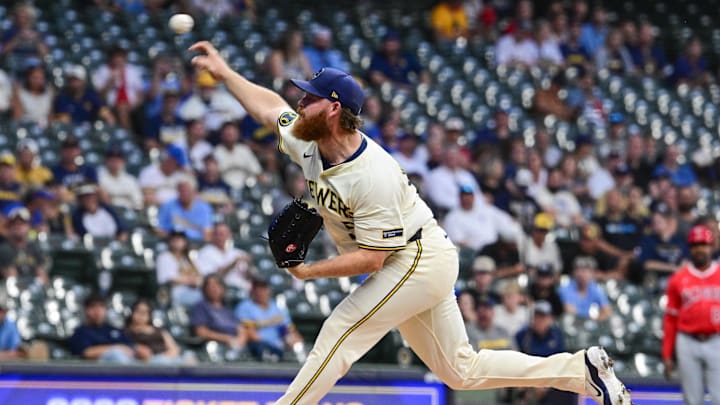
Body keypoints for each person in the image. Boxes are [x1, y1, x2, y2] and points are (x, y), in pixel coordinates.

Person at [189, 41, 632, 404]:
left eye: (309, 97)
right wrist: (225, 72)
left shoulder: (371, 173)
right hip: (413, 257)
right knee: (461, 371)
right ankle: (581, 371)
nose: (300, 102)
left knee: (341, 330)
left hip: (415, 258)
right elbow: (270, 108)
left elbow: (372, 260)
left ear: (333, 109)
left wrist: (308, 272)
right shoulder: (308, 139)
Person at [663, 225, 720, 405]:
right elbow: (670, 319)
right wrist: (667, 354)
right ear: (690, 248)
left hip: (716, 339)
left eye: (703, 244)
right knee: (692, 400)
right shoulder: (678, 279)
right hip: (687, 340)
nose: (700, 249)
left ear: (712, 246)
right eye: (695, 245)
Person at [516, 301, 576, 405]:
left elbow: (561, 361)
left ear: (550, 319)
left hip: (552, 379)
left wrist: (548, 383)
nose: (539, 321)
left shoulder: (557, 335)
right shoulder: (523, 336)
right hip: (530, 380)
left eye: (543, 317)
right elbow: (518, 363)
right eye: (537, 317)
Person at [235, 276, 303, 361]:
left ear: (269, 290)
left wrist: (294, 342)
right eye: (257, 288)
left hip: (280, 347)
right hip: (257, 347)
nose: (260, 291)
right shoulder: (245, 306)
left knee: (298, 349)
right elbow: (248, 333)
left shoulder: (278, 308)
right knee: (262, 349)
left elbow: (288, 330)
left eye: (263, 288)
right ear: (252, 290)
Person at [68, 293, 147, 364]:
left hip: (130, 363)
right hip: (99, 372)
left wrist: (139, 349)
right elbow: (87, 353)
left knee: (158, 360)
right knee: (115, 354)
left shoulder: (113, 330)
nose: (97, 311)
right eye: (93, 307)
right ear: (86, 310)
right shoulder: (81, 332)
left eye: (101, 306)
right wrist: (116, 348)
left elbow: (132, 346)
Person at [124, 299, 193, 364]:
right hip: (148, 363)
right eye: (138, 311)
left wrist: (166, 357)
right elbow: (139, 352)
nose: (141, 315)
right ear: (132, 313)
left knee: (189, 355)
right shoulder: (127, 332)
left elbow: (174, 348)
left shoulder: (159, 330)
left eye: (144, 312)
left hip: (167, 360)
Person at [190, 274, 247, 349]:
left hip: (237, 347)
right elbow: (200, 331)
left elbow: (241, 329)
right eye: (210, 285)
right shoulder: (201, 307)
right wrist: (226, 339)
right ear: (204, 289)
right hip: (216, 348)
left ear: (223, 288)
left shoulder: (227, 308)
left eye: (217, 285)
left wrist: (240, 340)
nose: (214, 288)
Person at [196, 223, 252, 291]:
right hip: (221, 290)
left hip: (242, 289)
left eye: (224, 234)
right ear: (213, 235)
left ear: (229, 235)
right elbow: (209, 278)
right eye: (218, 234)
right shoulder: (205, 252)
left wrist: (249, 266)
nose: (221, 237)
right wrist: (232, 264)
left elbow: (247, 277)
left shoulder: (238, 253)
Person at [0, 207, 49, 282]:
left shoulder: (35, 247)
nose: (18, 226)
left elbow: (42, 273)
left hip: (34, 288)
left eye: (22, 223)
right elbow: (11, 277)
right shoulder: (4, 249)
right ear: (9, 228)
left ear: (29, 226)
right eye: (14, 224)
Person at [156, 230, 203, 307]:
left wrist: (196, 281)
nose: (177, 241)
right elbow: (167, 279)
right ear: (170, 241)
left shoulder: (188, 259)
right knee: (203, 299)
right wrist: (190, 280)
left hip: (193, 290)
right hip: (174, 293)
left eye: (180, 239)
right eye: (174, 239)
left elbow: (199, 276)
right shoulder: (165, 257)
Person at [157, 177, 213, 241]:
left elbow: (208, 232)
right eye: (182, 191)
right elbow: (160, 229)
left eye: (187, 190)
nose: (184, 194)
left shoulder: (204, 208)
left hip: (196, 243)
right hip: (172, 242)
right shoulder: (168, 206)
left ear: (194, 191)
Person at [559, 256, 612, 321]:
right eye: (578, 270)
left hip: (593, 325)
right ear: (574, 272)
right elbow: (570, 311)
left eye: (585, 271)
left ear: (593, 273)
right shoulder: (564, 289)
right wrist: (593, 318)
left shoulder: (596, 289)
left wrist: (595, 319)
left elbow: (607, 311)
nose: (581, 274)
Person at [98, 145, 143, 210]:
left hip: (129, 212)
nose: (115, 163)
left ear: (123, 161)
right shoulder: (100, 178)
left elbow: (138, 202)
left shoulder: (130, 180)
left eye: (118, 160)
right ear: (106, 161)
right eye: (112, 160)